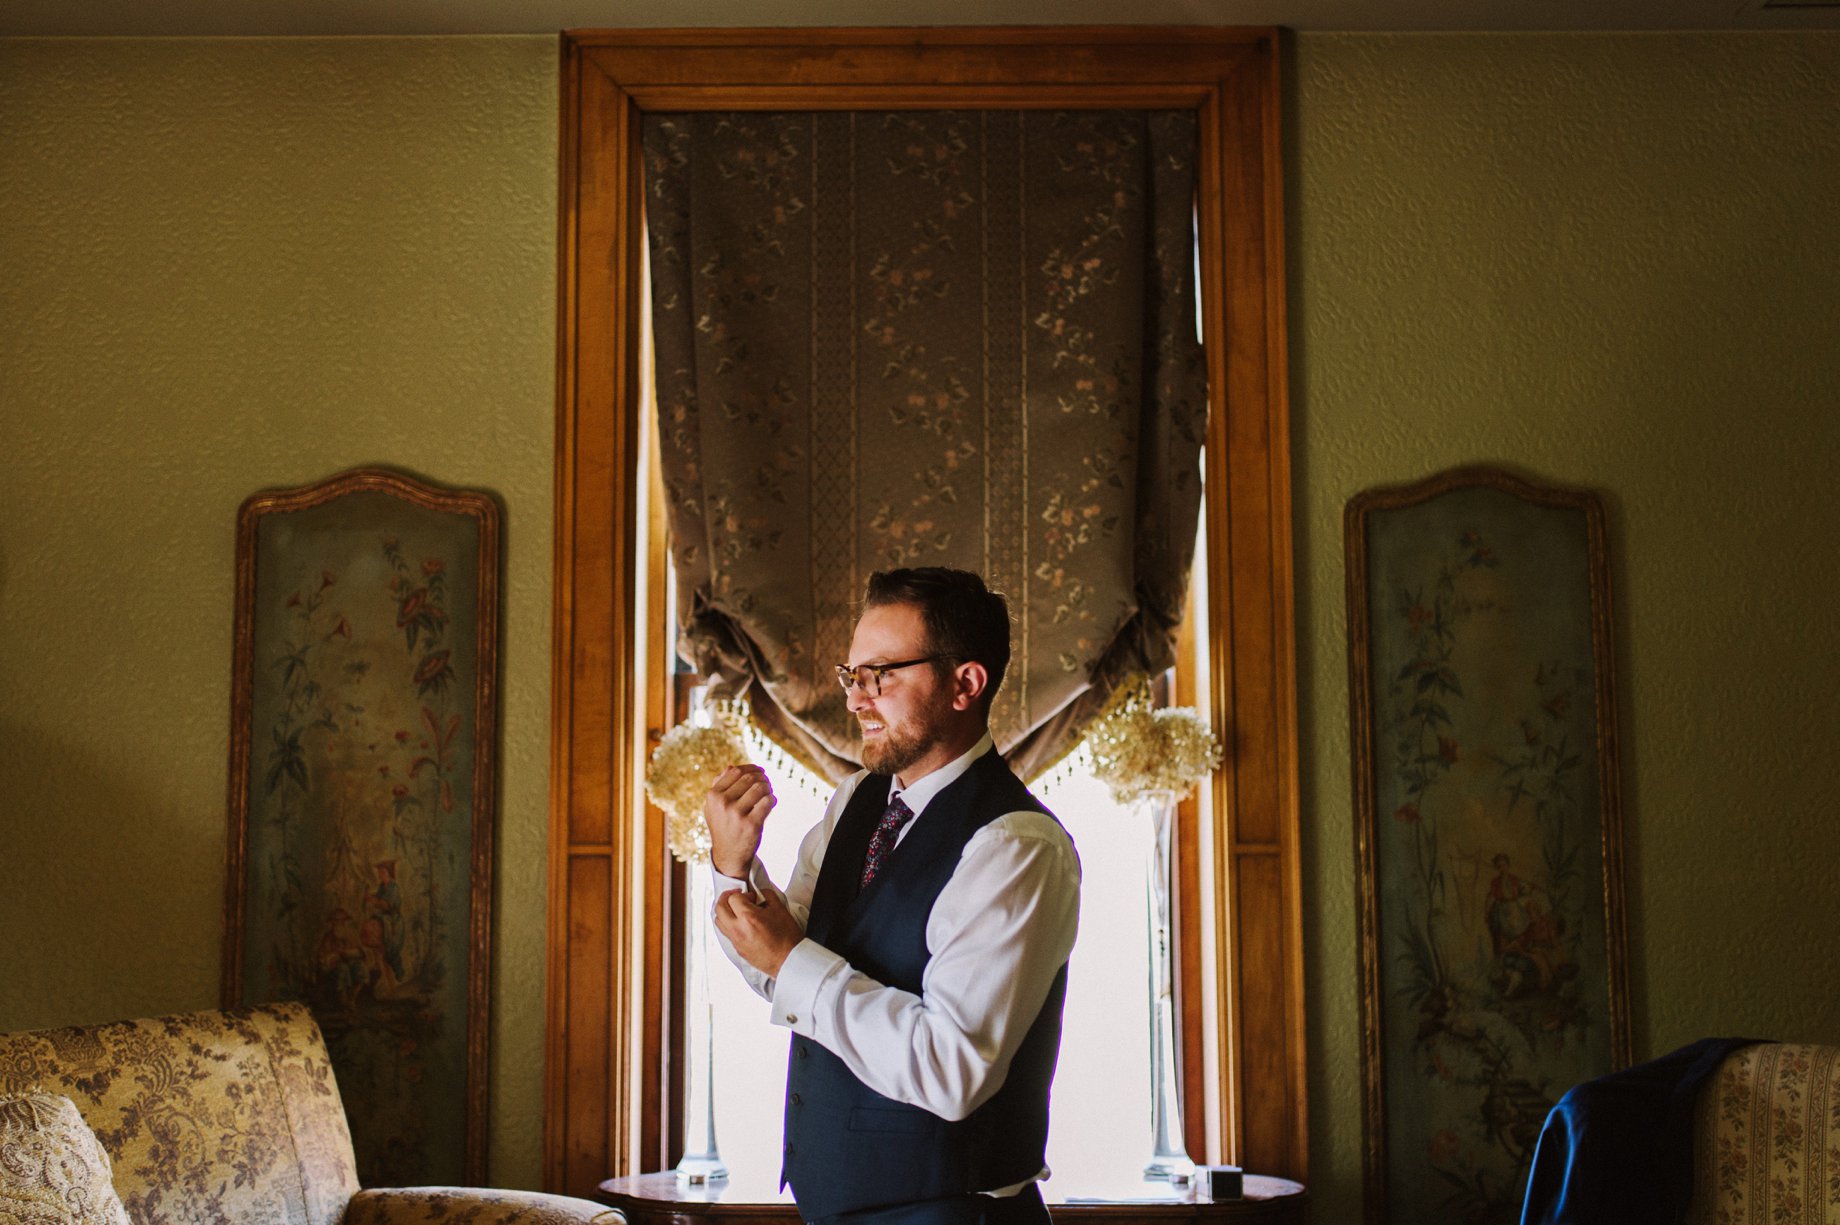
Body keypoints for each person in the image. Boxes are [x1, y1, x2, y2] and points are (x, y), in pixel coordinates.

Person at [705, 567, 1081, 1225]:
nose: (856, 700)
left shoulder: (1017, 845)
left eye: (882, 674)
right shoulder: (856, 800)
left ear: (965, 682)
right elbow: (781, 970)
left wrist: (792, 961)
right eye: (853, 675)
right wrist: (734, 868)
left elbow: (952, 1070)